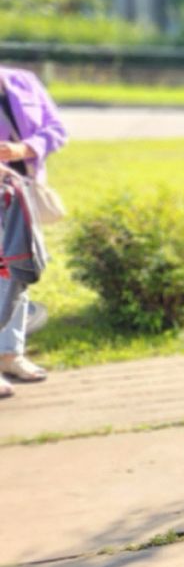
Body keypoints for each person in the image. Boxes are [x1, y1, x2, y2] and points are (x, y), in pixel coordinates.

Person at [0, 65, 67, 396]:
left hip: (21, 193)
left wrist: (24, 149)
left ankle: (10, 355)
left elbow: (57, 129)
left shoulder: (23, 82)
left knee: (17, 271)